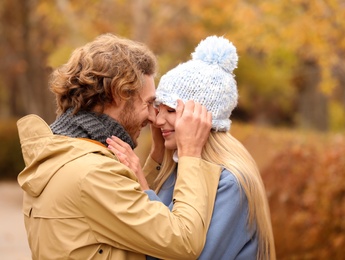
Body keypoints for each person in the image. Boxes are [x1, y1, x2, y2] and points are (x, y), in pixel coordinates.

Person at [16, 33, 222, 260]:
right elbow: (183, 240)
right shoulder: (93, 173)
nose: (154, 117)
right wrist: (191, 153)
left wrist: (156, 157)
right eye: (150, 103)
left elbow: (127, 218)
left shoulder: (63, 155)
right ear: (119, 95)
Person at [109, 36, 276, 260]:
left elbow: (176, 251)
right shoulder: (177, 168)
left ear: (200, 119)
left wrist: (140, 179)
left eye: (171, 111)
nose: (157, 121)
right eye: (159, 109)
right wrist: (155, 160)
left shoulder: (230, 183)